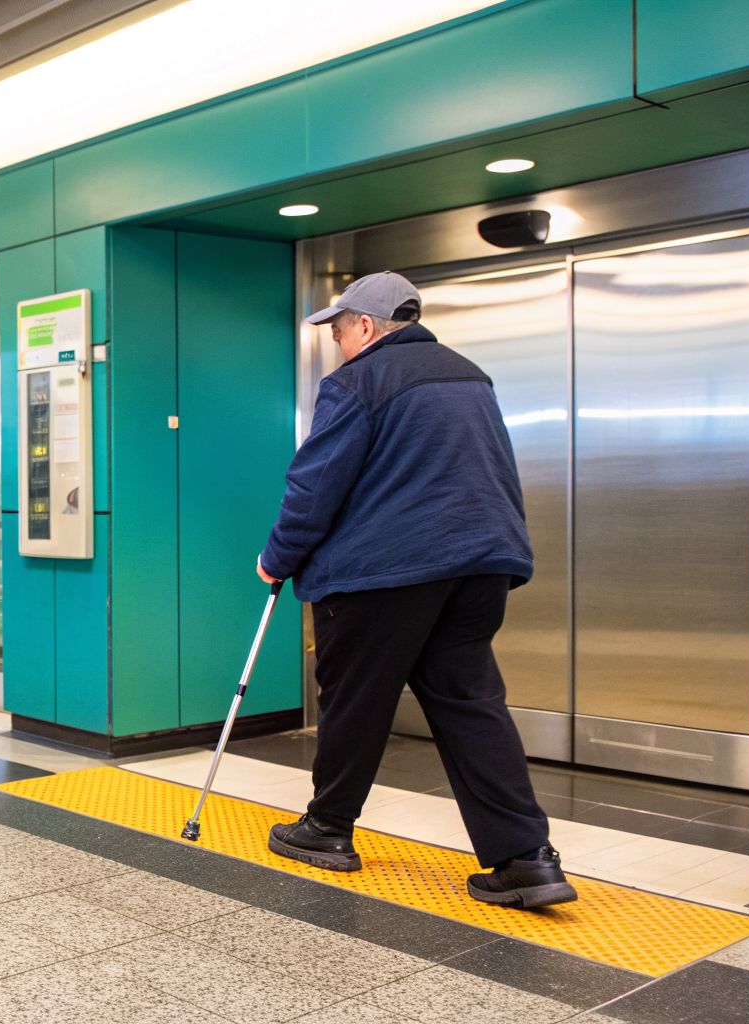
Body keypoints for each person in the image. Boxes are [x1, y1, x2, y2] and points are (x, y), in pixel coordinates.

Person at [254, 271, 576, 909]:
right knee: (470, 702)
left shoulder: (357, 381)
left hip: (385, 570)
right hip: (479, 564)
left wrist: (278, 556)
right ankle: (524, 858)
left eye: (340, 329)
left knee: (355, 698)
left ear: (367, 327)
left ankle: (326, 828)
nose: (338, 342)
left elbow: (317, 483)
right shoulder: (468, 374)